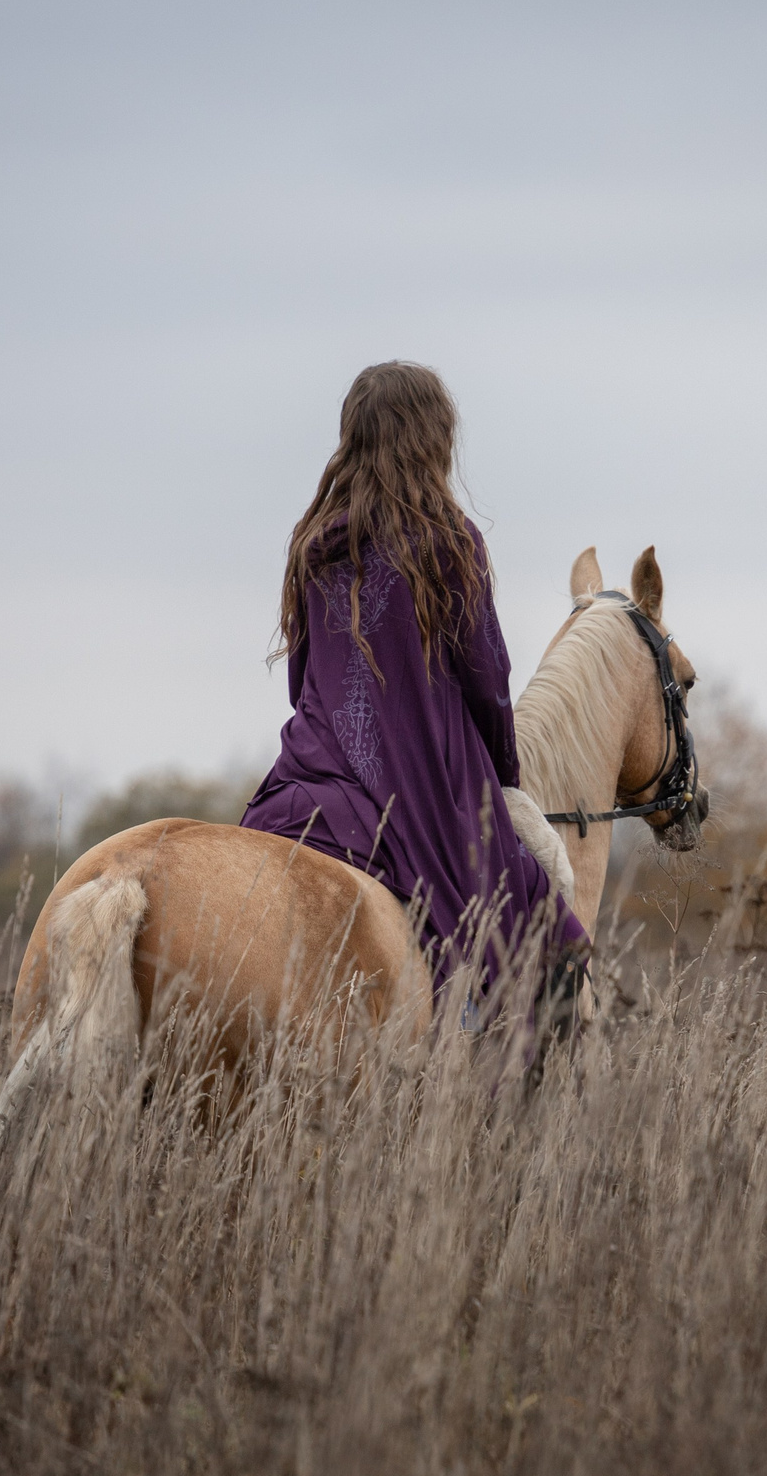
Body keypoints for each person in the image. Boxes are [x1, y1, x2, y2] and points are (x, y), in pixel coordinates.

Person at [238, 361, 588, 1010]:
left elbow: (302, 679)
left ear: (354, 437)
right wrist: (502, 776)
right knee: (551, 936)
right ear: (435, 439)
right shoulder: (451, 542)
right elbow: (489, 680)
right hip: (423, 783)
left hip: (308, 775)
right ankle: (495, 1077)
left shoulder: (313, 543)